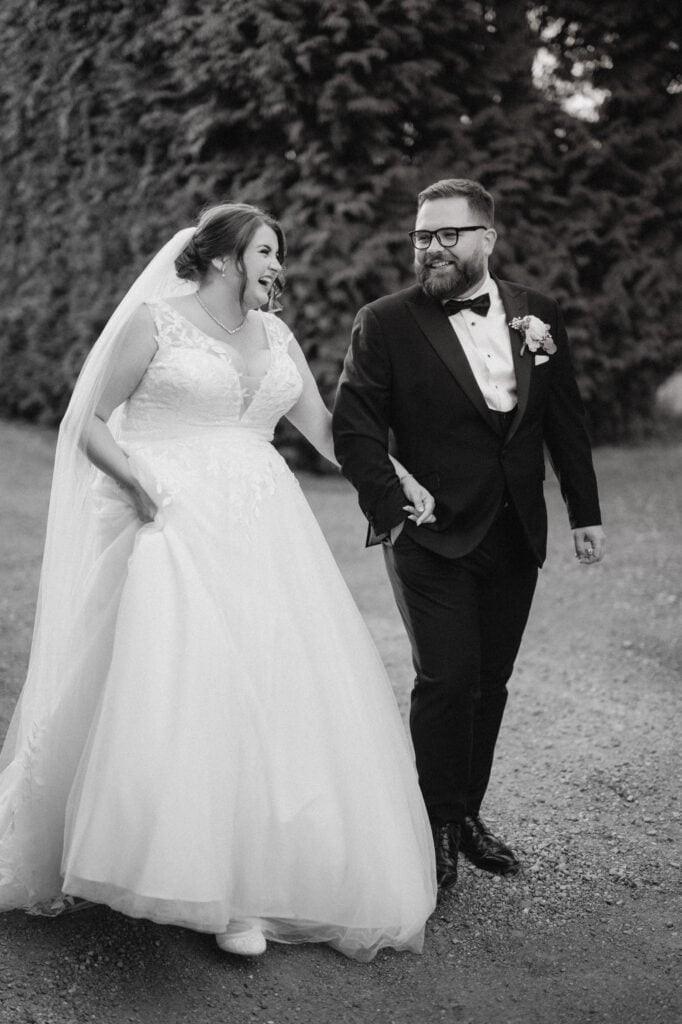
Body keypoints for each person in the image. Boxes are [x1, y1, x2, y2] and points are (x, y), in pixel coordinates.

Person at [0, 203, 438, 960]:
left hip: (265, 527)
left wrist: (394, 477)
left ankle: (252, 880)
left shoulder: (276, 337)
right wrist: (139, 489)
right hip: (169, 522)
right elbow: (91, 422)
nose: (279, 268)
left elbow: (330, 434)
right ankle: (153, 860)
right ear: (228, 258)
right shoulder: (155, 323)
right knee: (171, 683)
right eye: (269, 252)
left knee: (268, 685)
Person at [333, 178, 605, 890]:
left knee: (490, 683)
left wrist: (585, 512)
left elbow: (563, 419)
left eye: (448, 234)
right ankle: (435, 826)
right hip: (429, 534)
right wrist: (393, 508)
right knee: (447, 679)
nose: (432, 248)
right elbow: (354, 427)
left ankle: (468, 812)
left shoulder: (536, 315)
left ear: (487, 237)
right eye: (423, 235)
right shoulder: (385, 322)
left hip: (514, 529)